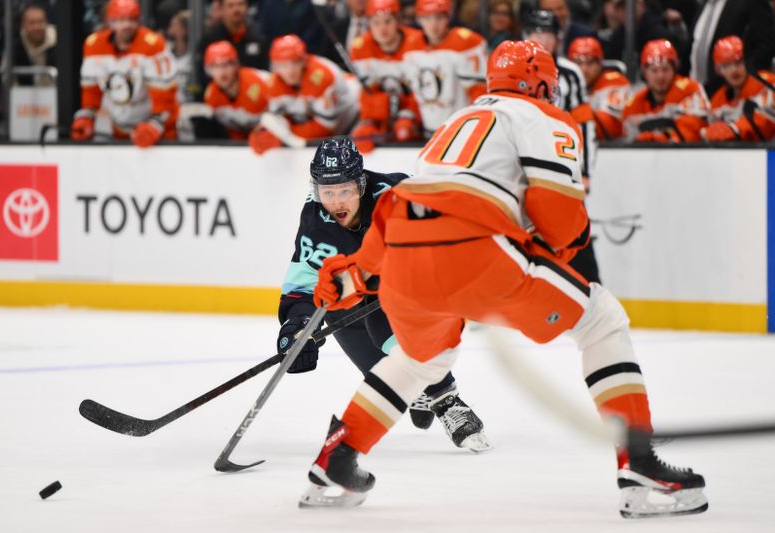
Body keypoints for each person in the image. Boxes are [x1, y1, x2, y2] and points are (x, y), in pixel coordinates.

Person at [299, 40, 708, 520]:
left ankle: (337, 460)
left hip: (401, 243)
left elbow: (401, 205)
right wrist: (553, 246)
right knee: (602, 321)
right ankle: (640, 466)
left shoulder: (458, 118)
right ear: (539, 83)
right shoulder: (545, 117)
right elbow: (559, 223)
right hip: (474, 245)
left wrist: (357, 273)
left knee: (420, 359)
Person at [279, 136, 490, 451]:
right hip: (351, 301)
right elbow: (303, 283)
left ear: (361, 184)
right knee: (383, 371)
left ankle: (447, 401)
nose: (337, 202)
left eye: (345, 191)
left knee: (391, 333)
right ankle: (417, 386)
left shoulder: (396, 197)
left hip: (402, 295)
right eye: (328, 192)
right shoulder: (315, 220)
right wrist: (297, 326)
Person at [524, 9, 599, 284]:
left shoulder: (569, 73)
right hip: (527, 170)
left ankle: (591, 289)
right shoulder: (519, 71)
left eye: (547, 33)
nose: (541, 39)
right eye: (534, 32)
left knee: (573, 229)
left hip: (561, 167)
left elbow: (584, 124)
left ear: (558, 37)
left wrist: (585, 170)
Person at [71, 0, 179, 148]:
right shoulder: (94, 46)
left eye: (132, 19)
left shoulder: (153, 45)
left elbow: (165, 96)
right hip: (119, 128)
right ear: (110, 21)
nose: (127, 25)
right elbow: (91, 92)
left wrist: (155, 125)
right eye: (121, 20)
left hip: (158, 130)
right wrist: (86, 117)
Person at [248, 34, 359, 154]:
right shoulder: (272, 85)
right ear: (274, 67)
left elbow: (325, 129)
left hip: (353, 118)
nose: (290, 70)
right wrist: (266, 132)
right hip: (321, 124)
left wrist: (284, 136)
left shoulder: (323, 77)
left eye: (294, 62)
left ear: (304, 60)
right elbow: (278, 119)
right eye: (283, 65)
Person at [401, 0, 488, 138]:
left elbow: (480, 94)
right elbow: (415, 93)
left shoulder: (466, 43)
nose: (433, 25)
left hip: (461, 133)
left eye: (439, 17)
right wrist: (408, 118)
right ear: (418, 19)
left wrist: (477, 128)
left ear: (448, 17)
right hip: (428, 134)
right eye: (427, 18)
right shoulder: (410, 47)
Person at [349, 0, 424, 152]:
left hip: (415, 111)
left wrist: (409, 114)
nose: (382, 28)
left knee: (404, 132)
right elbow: (367, 91)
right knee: (361, 138)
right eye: (376, 23)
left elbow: (425, 88)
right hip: (381, 113)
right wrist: (369, 120)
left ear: (398, 21)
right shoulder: (360, 47)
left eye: (388, 21)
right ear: (369, 24)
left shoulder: (418, 42)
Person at [624, 39, 709, 142]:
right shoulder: (634, 102)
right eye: (654, 70)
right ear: (644, 72)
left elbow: (693, 126)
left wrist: (666, 138)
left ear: (674, 69)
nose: (660, 76)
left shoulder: (690, 89)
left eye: (665, 69)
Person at [689, 0, 775, 97]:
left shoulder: (751, 2)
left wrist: (742, 76)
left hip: (735, 92)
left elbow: (766, 45)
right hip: (697, 90)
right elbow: (694, 45)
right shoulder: (704, 4)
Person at [701, 36, 775, 142]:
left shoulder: (767, 83)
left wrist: (734, 129)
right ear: (719, 70)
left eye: (738, 62)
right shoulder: (718, 99)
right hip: (735, 156)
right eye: (726, 65)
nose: (734, 69)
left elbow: (767, 120)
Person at [196, 0, 269, 91]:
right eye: (231, 5)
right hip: (219, 98)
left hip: (253, 96)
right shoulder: (209, 40)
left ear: (247, 7)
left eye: (241, 4)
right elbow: (202, 74)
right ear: (222, 9)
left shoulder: (258, 39)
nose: (236, 9)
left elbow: (265, 73)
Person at [202, 40, 268, 140]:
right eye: (215, 67)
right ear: (208, 71)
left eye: (226, 65)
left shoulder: (259, 82)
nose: (222, 72)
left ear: (235, 65)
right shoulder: (211, 96)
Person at [568, 36, 630, 140]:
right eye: (578, 63)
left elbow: (610, 127)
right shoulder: (564, 84)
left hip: (612, 151)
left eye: (590, 62)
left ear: (600, 63)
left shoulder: (614, 81)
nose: (584, 69)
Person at [13, 2, 57, 87]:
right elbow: (7, 80)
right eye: (32, 23)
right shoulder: (15, 45)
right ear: (23, 25)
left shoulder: (59, 42)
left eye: (41, 22)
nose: (37, 27)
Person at [167, 10, 193, 103]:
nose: (171, 26)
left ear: (184, 29)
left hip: (187, 103)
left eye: (175, 24)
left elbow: (195, 88)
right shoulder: (166, 50)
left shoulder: (192, 56)